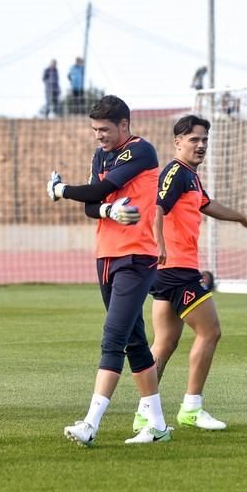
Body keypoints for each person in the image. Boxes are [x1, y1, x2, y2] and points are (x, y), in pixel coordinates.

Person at [47, 95, 171, 445]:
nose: (98, 136)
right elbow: (92, 205)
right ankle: (157, 425)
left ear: (124, 126)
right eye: (95, 129)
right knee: (134, 342)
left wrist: (60, 190)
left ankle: (90, 423)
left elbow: (102, 189)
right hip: (106, 255)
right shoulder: (100, 154)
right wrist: (108, 212)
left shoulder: (141, 150)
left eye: (104, 129)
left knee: (113, 337)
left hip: (136, 256)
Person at [131, 115, 247, 433]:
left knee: (164, 342)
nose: (201, 145)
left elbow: (207, 204)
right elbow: (157, 207)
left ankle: (143, 413)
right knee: (211, 332)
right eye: (194, 139)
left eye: (204, 139)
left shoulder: (190, 177)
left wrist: (242, 218)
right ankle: (192, 408)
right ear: (178, 142)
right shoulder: (176, 172)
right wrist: (160, 245)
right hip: (177, 268)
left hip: (168, 270)